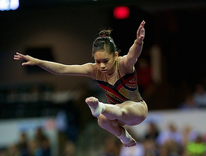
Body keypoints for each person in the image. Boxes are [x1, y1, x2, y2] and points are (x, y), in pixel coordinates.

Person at [14, 21, 148, 147]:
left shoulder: (123, 65)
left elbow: (133, 56)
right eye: (97, 61)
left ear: (115, 55)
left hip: (137, 109)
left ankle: (100, 107)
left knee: (121, 108)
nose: (101, 66)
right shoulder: (93, 70)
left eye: (105, 61)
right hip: (117, 115)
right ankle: (124, 137)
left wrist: (138, 42)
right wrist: (38, 62)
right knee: (102, 120)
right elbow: (63, 69)